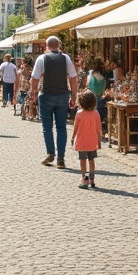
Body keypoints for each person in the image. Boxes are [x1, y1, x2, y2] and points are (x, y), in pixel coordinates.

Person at [29, 36, 78, 168]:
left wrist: (33, 92)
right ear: (58, 46)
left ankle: (51, 153)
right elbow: (73, 78)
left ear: (46, 46)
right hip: (62, 95)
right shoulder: (66, 58)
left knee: (47, 127)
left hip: (46, 95)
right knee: (61, 127)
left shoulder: (42, 59)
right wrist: (74, 95)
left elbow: (35, 78)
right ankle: (61, 158)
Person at [72, 90, 102, 189]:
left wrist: (73, 137)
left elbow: (75, 127)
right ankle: (92, 178)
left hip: (82, 141)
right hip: (92, 141)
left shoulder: (79, 113)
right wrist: (99, 141)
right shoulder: (96, 113)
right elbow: (98, 129)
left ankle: (84, 178)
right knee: (91, 160)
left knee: (82, 160)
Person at [86, 59, 108, 126]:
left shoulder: (91, 77)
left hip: (90, 101)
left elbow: (87, 85)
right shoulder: (103, 79)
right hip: (99, 101)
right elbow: (103, 90)